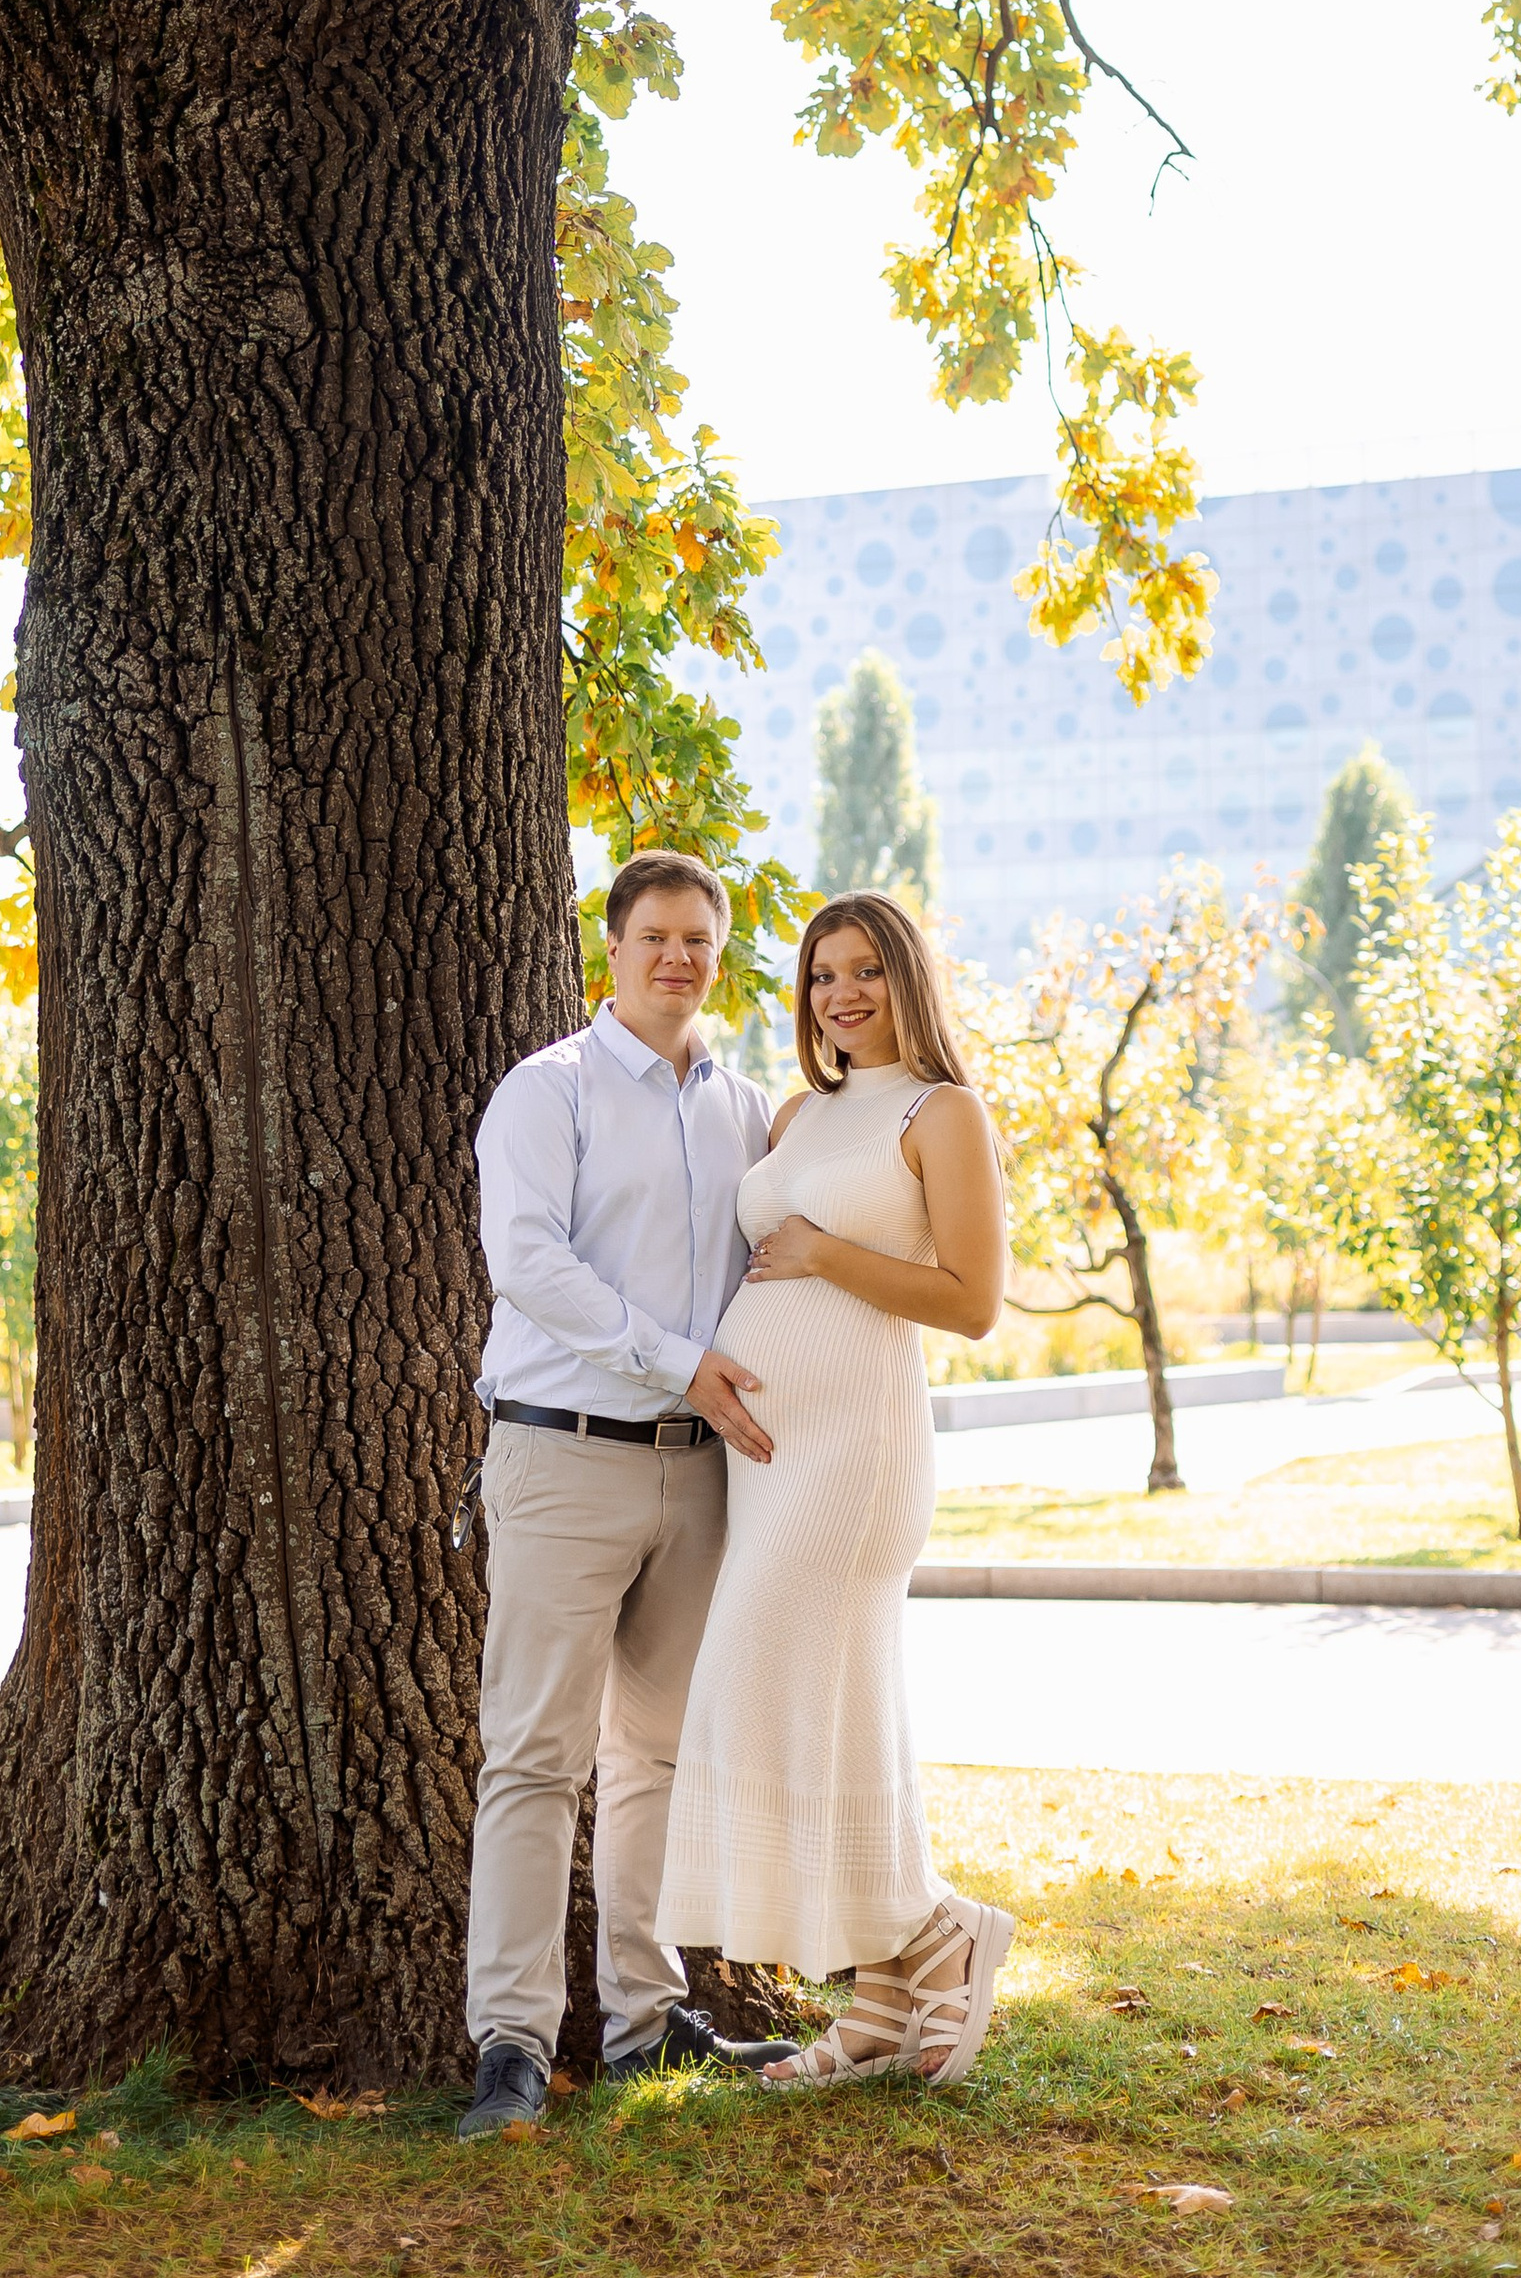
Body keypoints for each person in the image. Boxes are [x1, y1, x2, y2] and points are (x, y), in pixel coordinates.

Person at [456, 847, 800, 2142]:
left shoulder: (748, 1105)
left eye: (698, 941)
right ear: (612, 948)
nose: (677, 958)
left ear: (718, 953)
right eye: (654, 935)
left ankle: (645, 2022)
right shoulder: (548, 1091)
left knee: (653, 1756)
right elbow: (526, 1262)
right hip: (562, 1457)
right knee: (534, 1759)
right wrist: (678, 1359)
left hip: (697, 1474)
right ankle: (511, 2042)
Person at [654, 889, 1015, 2089]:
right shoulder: (803, 1110)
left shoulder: (939, 1111)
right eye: (821, 975)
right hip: (766, 1460)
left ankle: (931, 1929)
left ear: (905, 975)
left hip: (855, 1455)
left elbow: (969, 1299)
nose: (839, 993)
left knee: (769, 1683)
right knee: (830, 1711)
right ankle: (871, 2005)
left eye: (863, 969)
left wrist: (822, 1254)